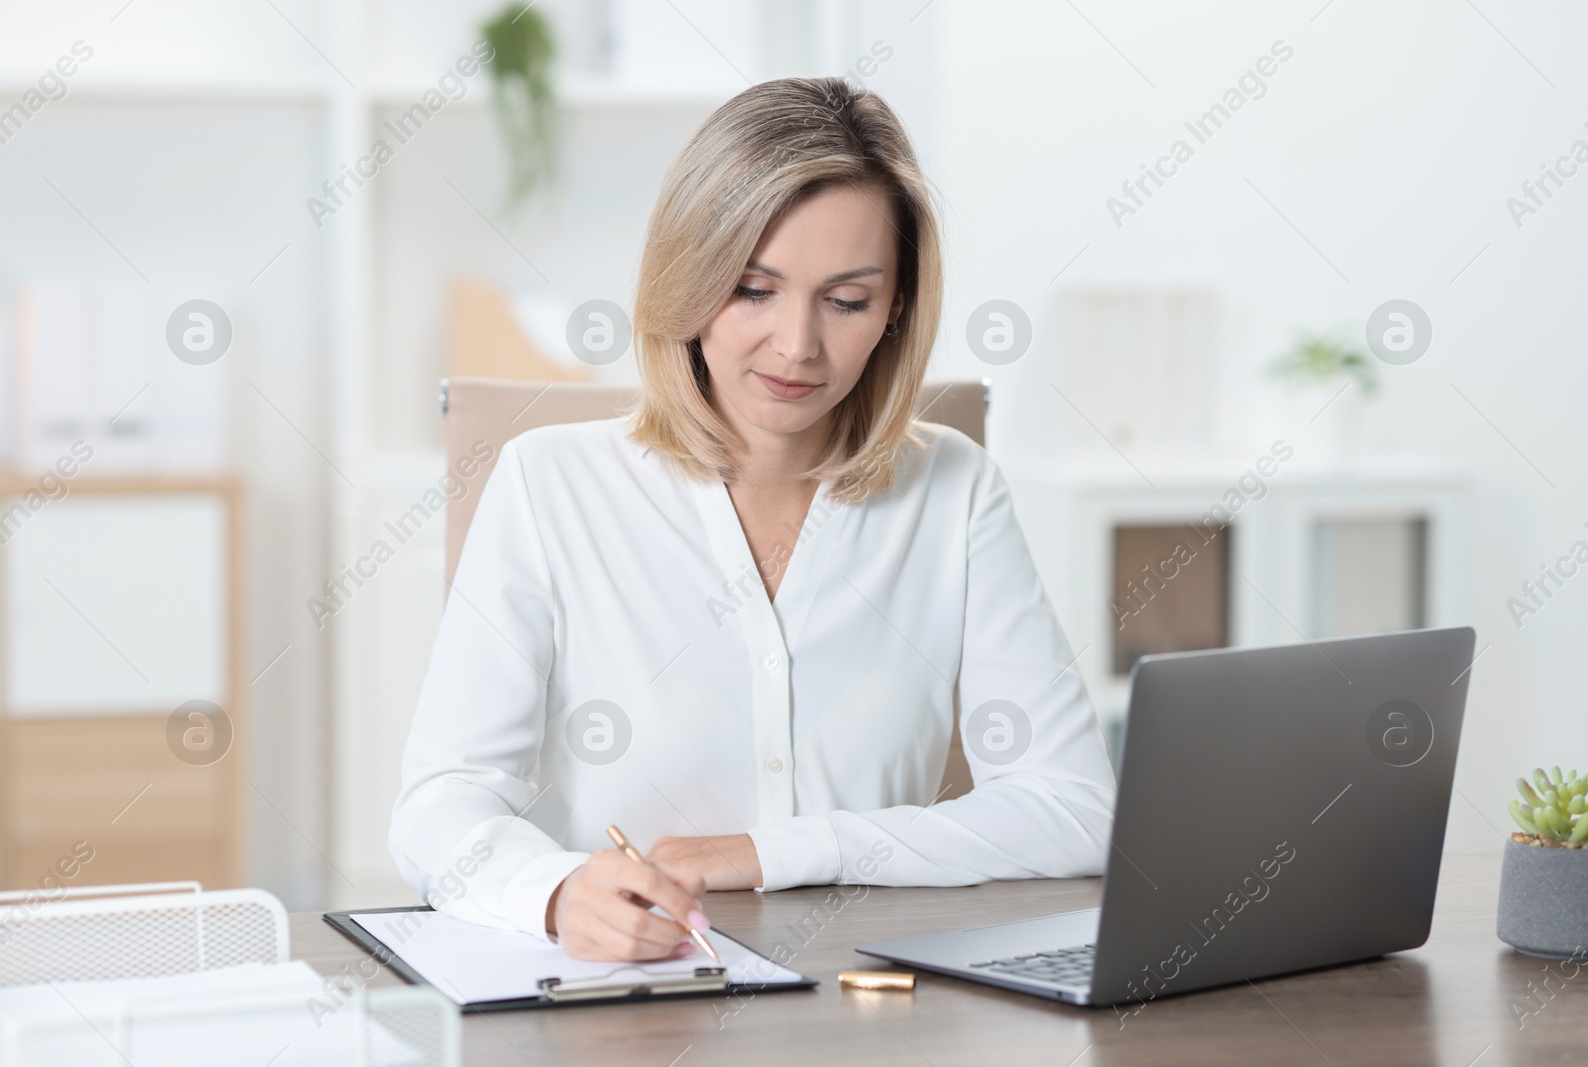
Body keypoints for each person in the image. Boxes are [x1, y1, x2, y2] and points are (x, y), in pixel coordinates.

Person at [389, 76, 1117, 963]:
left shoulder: (954, 489)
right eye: (751, 289)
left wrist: (779, 853)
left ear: (896, 309)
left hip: (868, 998)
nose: (797, 345)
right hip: (630, 995)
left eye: (846, 300)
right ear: (688, 281)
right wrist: (552, 893)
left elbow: (1076, 808)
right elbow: (441, 805)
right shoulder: (550, 484)